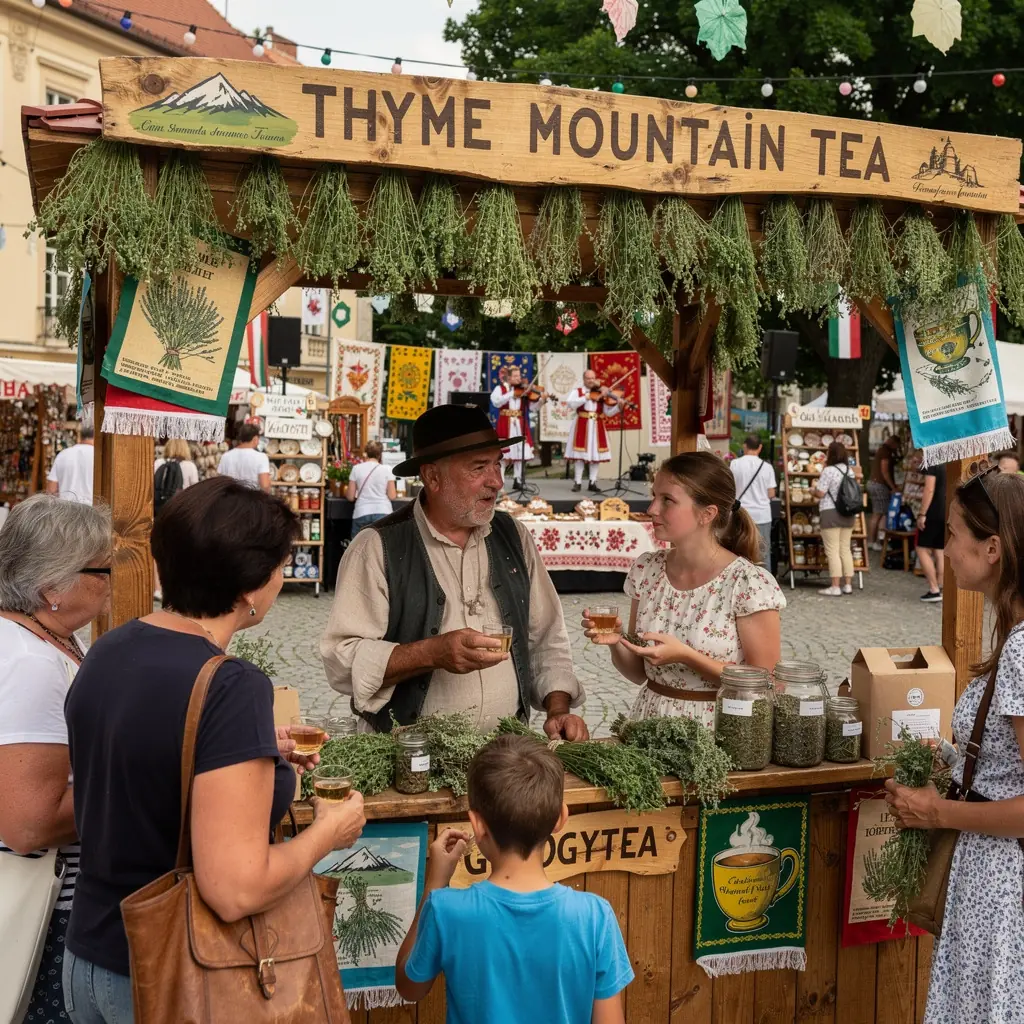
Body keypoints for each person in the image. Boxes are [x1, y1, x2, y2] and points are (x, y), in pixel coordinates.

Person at [62, 477, 365, 1022]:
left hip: (90, 956)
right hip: (172, 971)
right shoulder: (231, 684)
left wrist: (250, 750)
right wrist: (329, 833)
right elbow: (234, 889)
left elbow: (148, 755)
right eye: (279, 565)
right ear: (251, 585)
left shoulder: (109, 649)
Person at [321, 404, 587, 740]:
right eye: (479, 468)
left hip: (503, 758)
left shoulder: (514, 537)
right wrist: (431, 653)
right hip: (405, 758)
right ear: (432, 477)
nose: (496, 482)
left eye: (497, 464)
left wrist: (558, 708)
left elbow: (547, 637)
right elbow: (341, 661)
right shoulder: (377, 547)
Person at [883, 469, 1024, 1024]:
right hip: (992, 883)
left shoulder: (1021, 649)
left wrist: (933, 808)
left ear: (993, 548)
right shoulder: (1013, 637)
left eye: (955, 531)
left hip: (1004, 891)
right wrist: (948, 752)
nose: (946, 545)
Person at [396, 735, 633, 1023]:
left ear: (477, 825)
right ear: (561, 818)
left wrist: (434, 883)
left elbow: (409, 987)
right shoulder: (596, 917)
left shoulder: (445, 909)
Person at [0, 494, 112, 1023]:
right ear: (52, 587)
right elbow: (29, 823)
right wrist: (134, 781)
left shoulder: (33, 639)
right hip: (42, 903)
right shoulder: (33, 661)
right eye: (101, 569)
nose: (109, 580)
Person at [583, 452, 785, 730]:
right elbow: (638, 674)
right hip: (649, 726)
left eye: (668, 500)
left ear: (707, 514)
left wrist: (687, 656)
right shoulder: (647, 570)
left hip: (719, 732)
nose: (653, 508)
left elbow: (769, 683)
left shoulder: (748, 583)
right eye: (654, 495)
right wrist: (617, 642)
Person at [564, 369, 621, 493]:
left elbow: (608, 412)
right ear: (584, 379)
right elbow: (570, 404)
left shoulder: (602, 393)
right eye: (588, 378)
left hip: (597, 425)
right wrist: (587, 396)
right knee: (579, 455)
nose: (591, 381)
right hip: (582, 424)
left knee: (596, 455)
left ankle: (593, 482)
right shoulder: (577, 392)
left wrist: (618, 407)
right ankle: (577, 482)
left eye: (593, 378)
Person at [815, 441, 858, 597]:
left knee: (832, 550)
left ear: (830, 454)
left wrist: (813, 489)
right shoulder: (849, 470)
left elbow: (820, 493)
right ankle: (847, 585)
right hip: (848, 514)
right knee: (845, 549)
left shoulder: (828, 471)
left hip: (830, 513)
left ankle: (835, 586)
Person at [730, 435, 777, 570]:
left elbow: (730, 489)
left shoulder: (735, 464)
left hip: (741, 514)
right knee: (763, 551)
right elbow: (771, 493)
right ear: (760, 447)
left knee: (739, 550)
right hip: (762, 515)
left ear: (744, 446)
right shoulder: (767, 467)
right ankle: (765, 584)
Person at [489, 365, 535, 490]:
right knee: (504, 456)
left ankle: (518, 480)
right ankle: (501, 483)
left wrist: (541, 401)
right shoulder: (500, 389)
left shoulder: (523, 391)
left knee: (520, 453)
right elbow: (496, 401)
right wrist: (511, 394)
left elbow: (532, 408)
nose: (518, 378)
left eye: (519, 376)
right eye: (515, 376)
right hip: (505, 423)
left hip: (519, 423)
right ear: (508, 377)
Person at [345, 440, 397, 536]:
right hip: (383, 512)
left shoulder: (356, 469)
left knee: (358, 549)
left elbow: (350, 497)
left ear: (366, 453)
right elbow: (392, 495)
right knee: (382, 548)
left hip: (361, 512)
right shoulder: (387, 469)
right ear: (380, 454)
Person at [916, 463, 946, 603]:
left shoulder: (933, 462)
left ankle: (934, 589)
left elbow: (929, 489)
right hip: (947, 510)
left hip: (933, 511)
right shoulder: (953, 459)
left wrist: (922, 513)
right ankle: (941, 587)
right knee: (940, 550)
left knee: (922, 548)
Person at [867, 434, 901, 550]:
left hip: (873, 483)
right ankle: (877, 542)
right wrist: (893, 487)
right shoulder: (886, 452)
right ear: (894, 443)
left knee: (877, 513)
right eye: (897, 445)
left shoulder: (882, 449)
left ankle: (873, 541)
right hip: (880, 485)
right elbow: (885, 471)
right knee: (880, 514)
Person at [46, 426, 95, 505]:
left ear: (80, 436)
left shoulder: (63, 454)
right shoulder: (99, 457)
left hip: (66, 510)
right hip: (92, 511)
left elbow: (51, 490)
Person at [216, 423, 271, 492]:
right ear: (255, 439)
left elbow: (220, 482)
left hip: (231, 498)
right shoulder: (261, 457)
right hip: (252, 499)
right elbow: (265, 485)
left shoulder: (226, 456)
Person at [153, 438, 199, 512]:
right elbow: (194, 490)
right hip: (181, 506)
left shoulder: (158, 462)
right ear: (185, 449)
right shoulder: (190, 466)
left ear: (167, 447)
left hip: (161, 506)